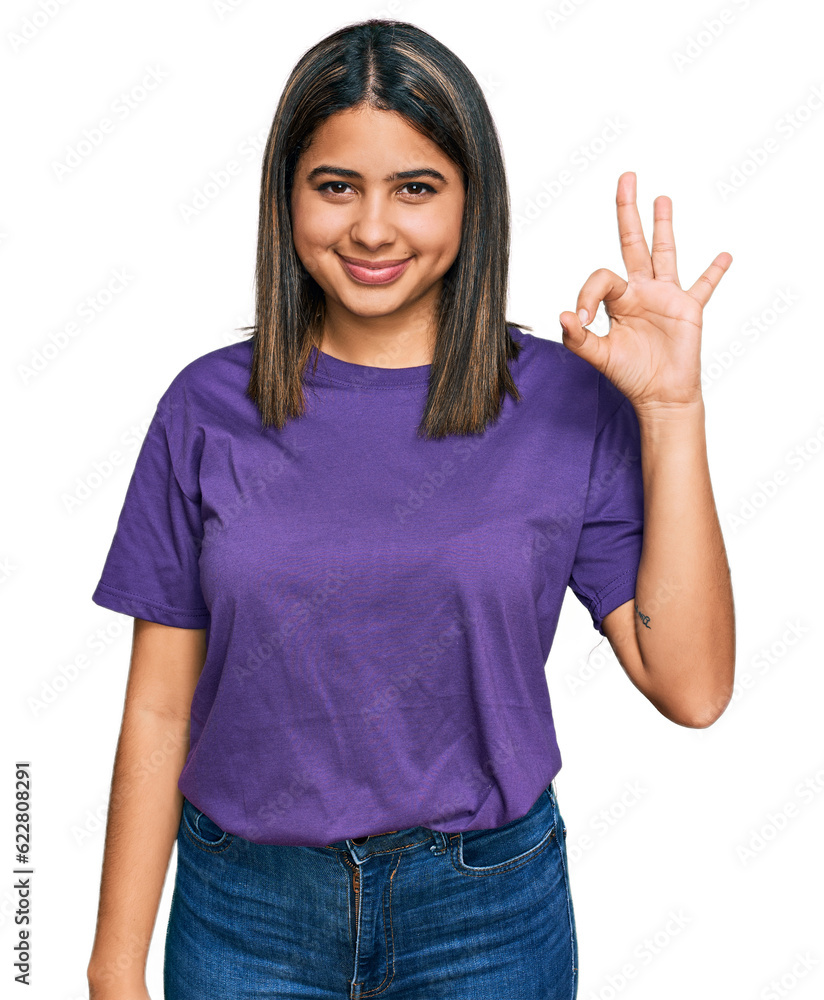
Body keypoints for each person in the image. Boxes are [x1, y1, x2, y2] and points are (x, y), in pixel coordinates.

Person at [85, 18, 735, 1000]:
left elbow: (690, 686)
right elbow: (158, 705)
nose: (372, 228)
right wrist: (113, 967)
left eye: (415, 187)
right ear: (286, 198)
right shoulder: (205, 409)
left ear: (473, 202)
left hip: (485, 917)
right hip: (244, 913)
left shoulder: (563, 401)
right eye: (335, 185)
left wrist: (671, 412)